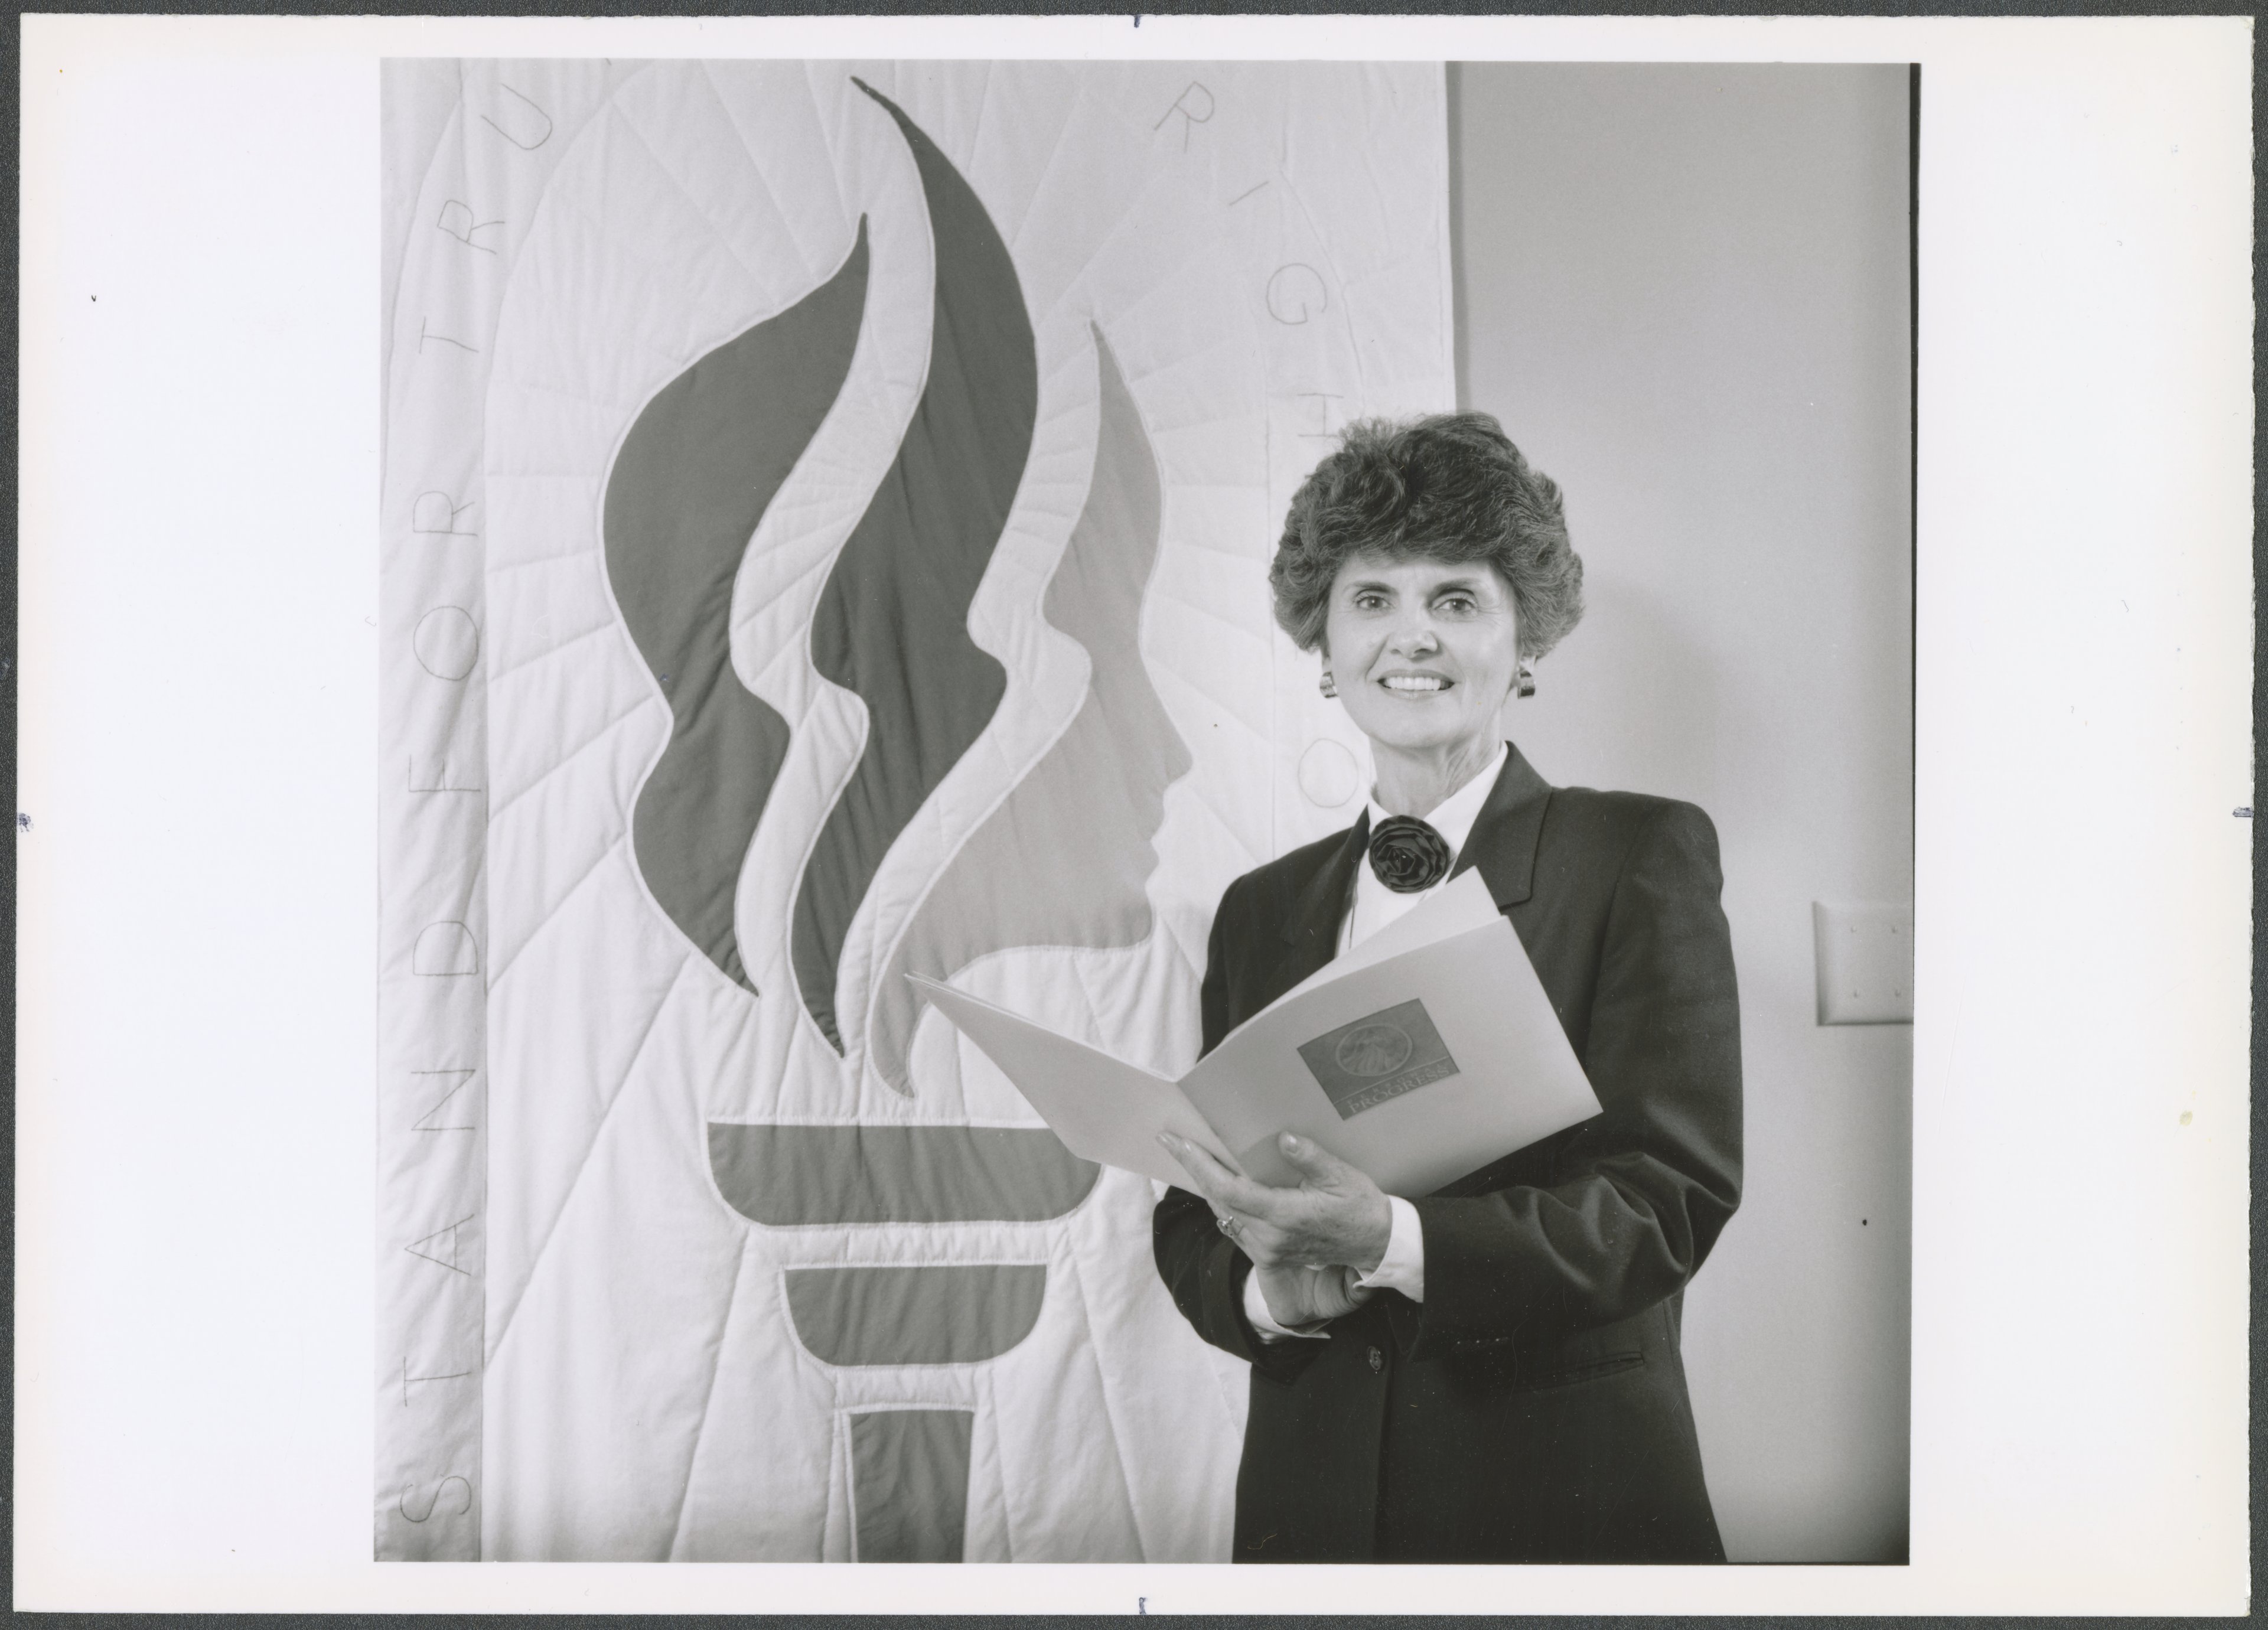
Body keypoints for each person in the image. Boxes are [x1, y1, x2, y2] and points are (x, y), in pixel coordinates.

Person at [1152, 411, 1742, 1563]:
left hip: (1562, 1490)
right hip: (1313, 1503)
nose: (1410, 636)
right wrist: (1272, 1296)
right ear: (1324, 645)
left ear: (1527, 643)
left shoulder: (1635, 855)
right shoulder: (1258, 909)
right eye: (1372, 598)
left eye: (1457, 599)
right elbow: (1191, 1207)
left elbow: (1667, 1200)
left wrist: (1395, 1239)